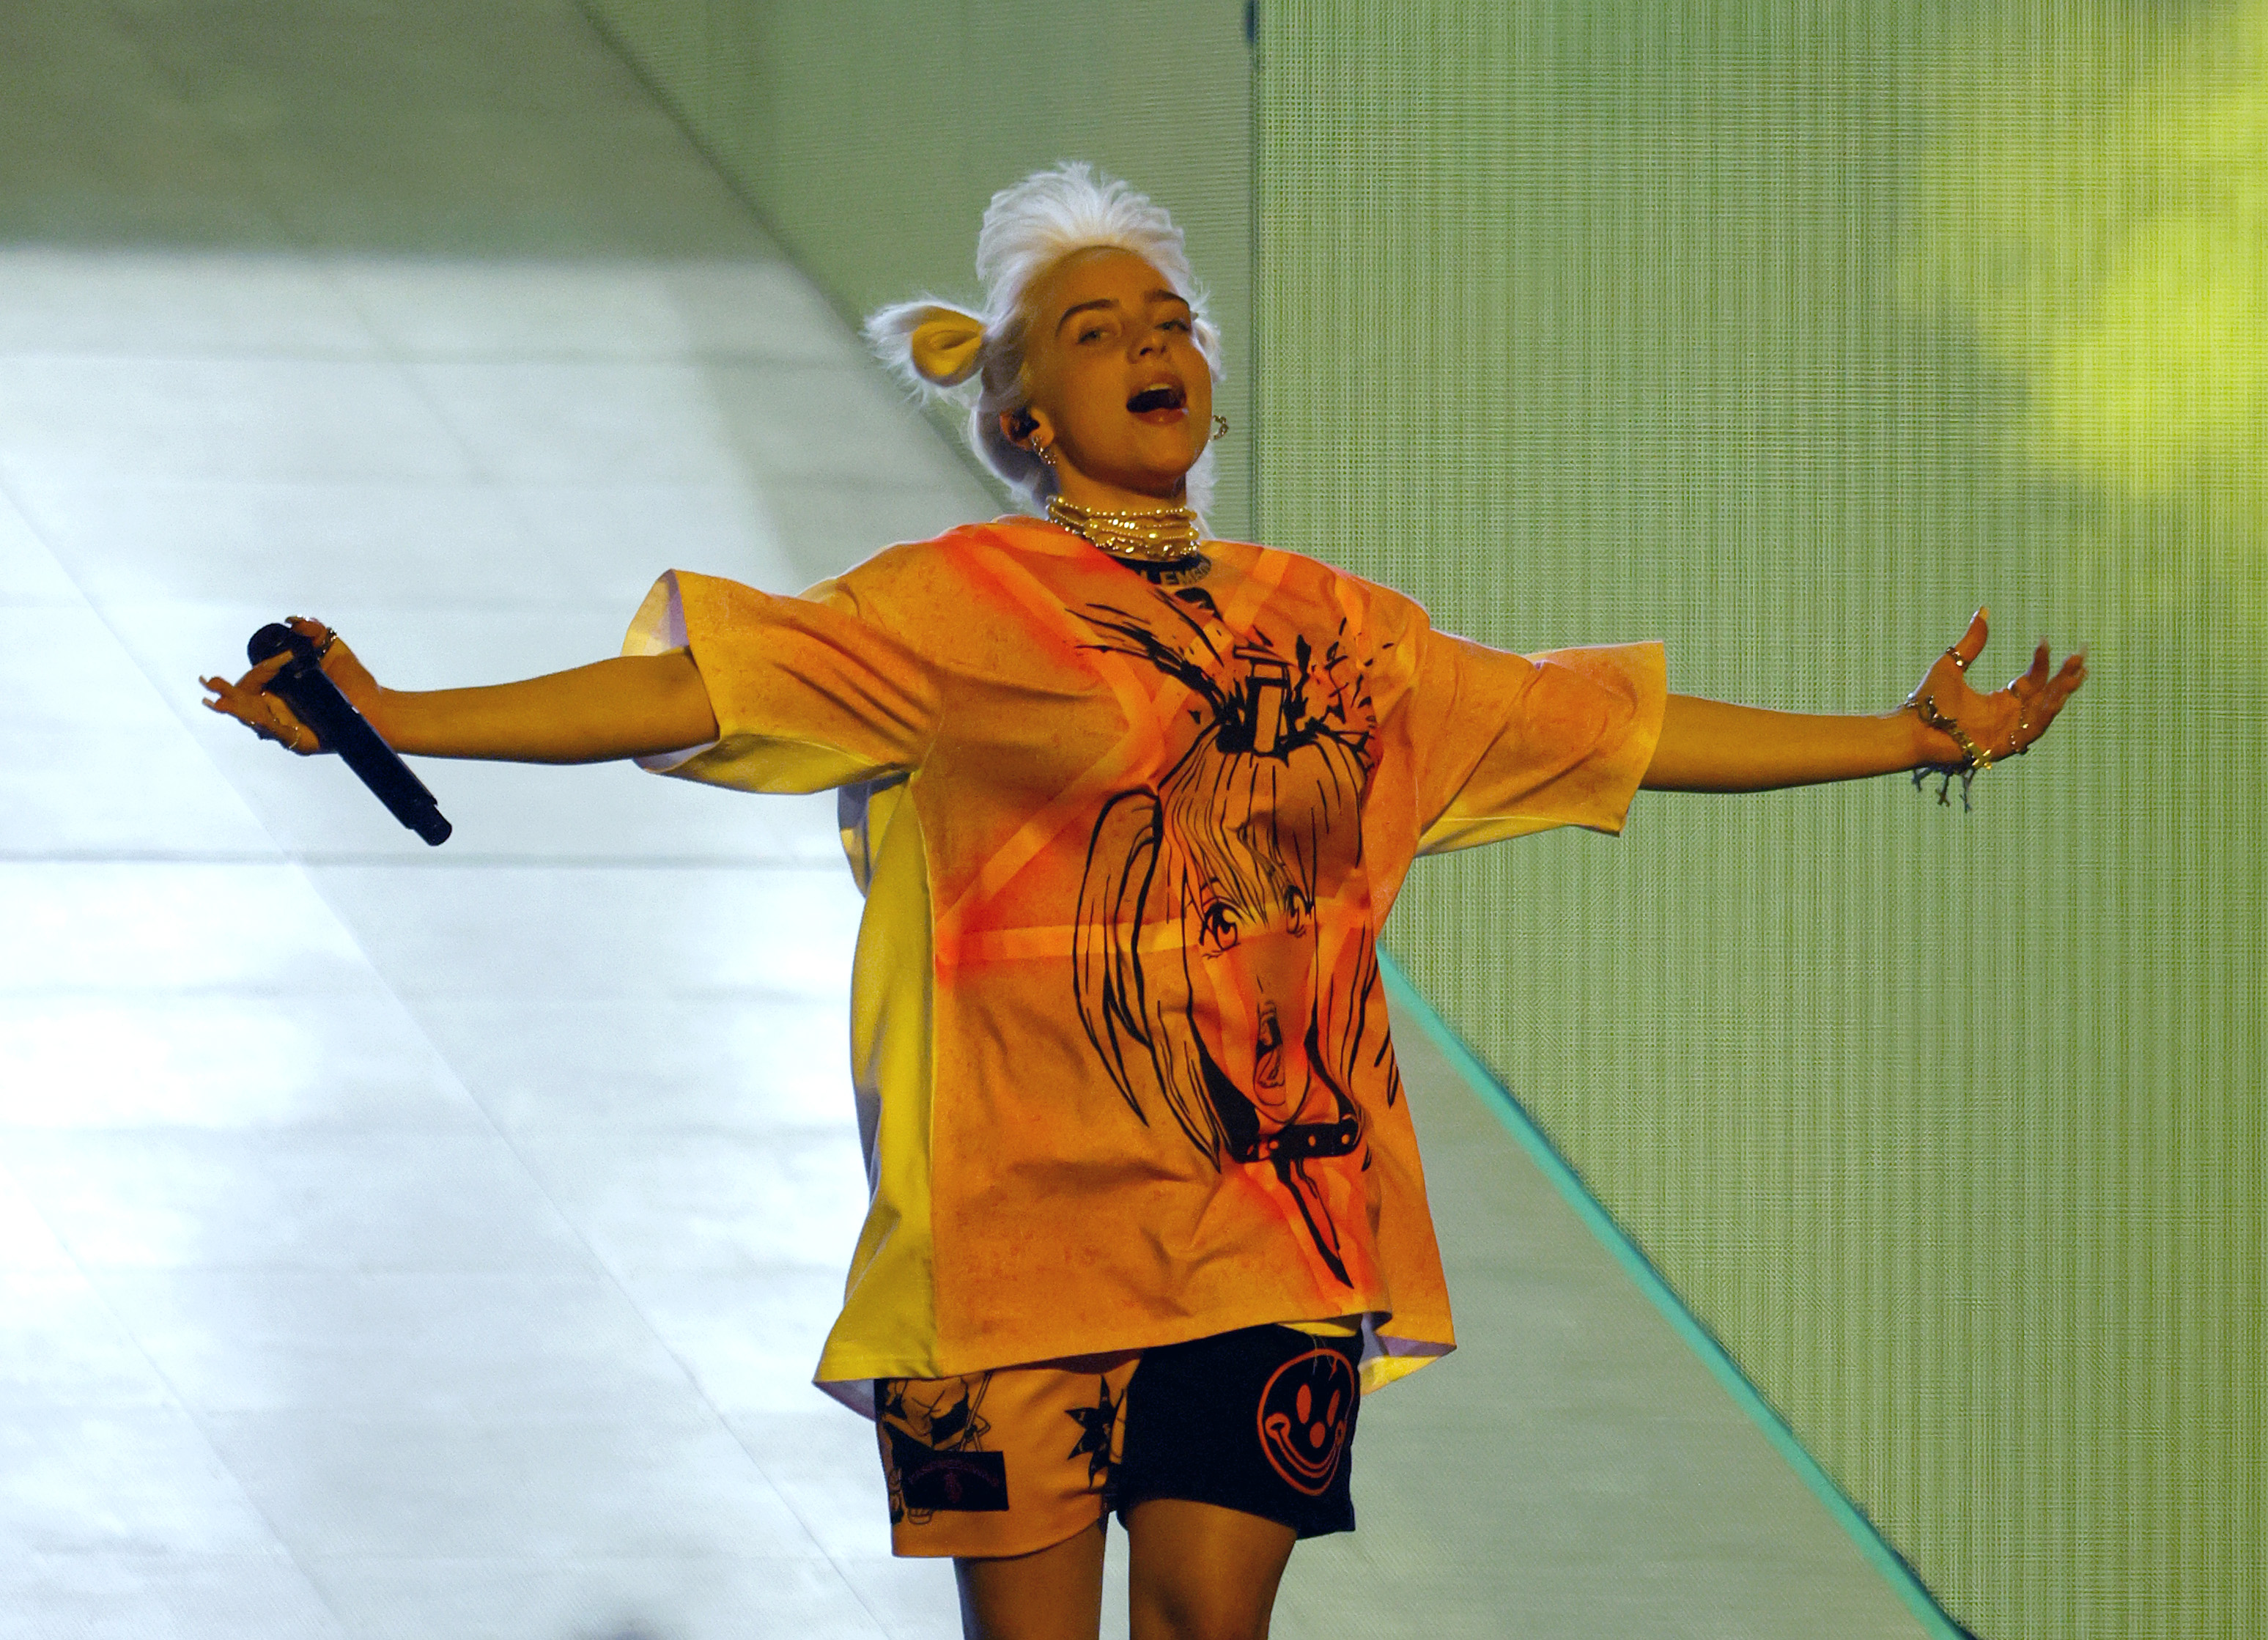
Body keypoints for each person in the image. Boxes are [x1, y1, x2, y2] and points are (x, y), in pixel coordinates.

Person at [202, 163, 2086, 1640]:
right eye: (1094, 327)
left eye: (1169, 313)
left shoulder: (1333, 629)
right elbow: (694, 690)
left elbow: (1601, 726)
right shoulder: (941, 612)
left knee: (1210, 1619)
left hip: (1262, 1224)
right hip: (1005, 1257)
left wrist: (1908, 740)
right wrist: (400, 710)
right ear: (1020, 412)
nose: (1149, 337)